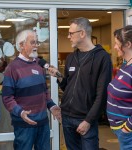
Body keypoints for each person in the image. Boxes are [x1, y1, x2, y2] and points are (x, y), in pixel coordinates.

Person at [48, 17, 112, 150]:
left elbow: (102, 95)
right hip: (67, 118)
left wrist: (89, 121)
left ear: (82, 33)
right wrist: (59, 76)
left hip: (85, 119)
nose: (68, 36)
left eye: (71, 33)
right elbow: (68, 86)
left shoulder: (102, 58)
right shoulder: (71, 58)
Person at [2, 29, 61, 150]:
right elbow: (7, 98)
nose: (36, 46)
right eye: (32, 42)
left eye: (37, 42)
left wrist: (52, 107)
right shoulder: (12, 68)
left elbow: (44, 91)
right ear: (21, 45)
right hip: (24, 125)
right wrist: (21, 113)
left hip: (43, 123)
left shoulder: (39, 64)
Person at [107, 25, 132, 150]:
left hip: (128, 133)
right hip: (122, 131)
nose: (115, 47)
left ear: (127, 44)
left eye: (117, 44)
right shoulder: (126, 64)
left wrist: (127, 128)